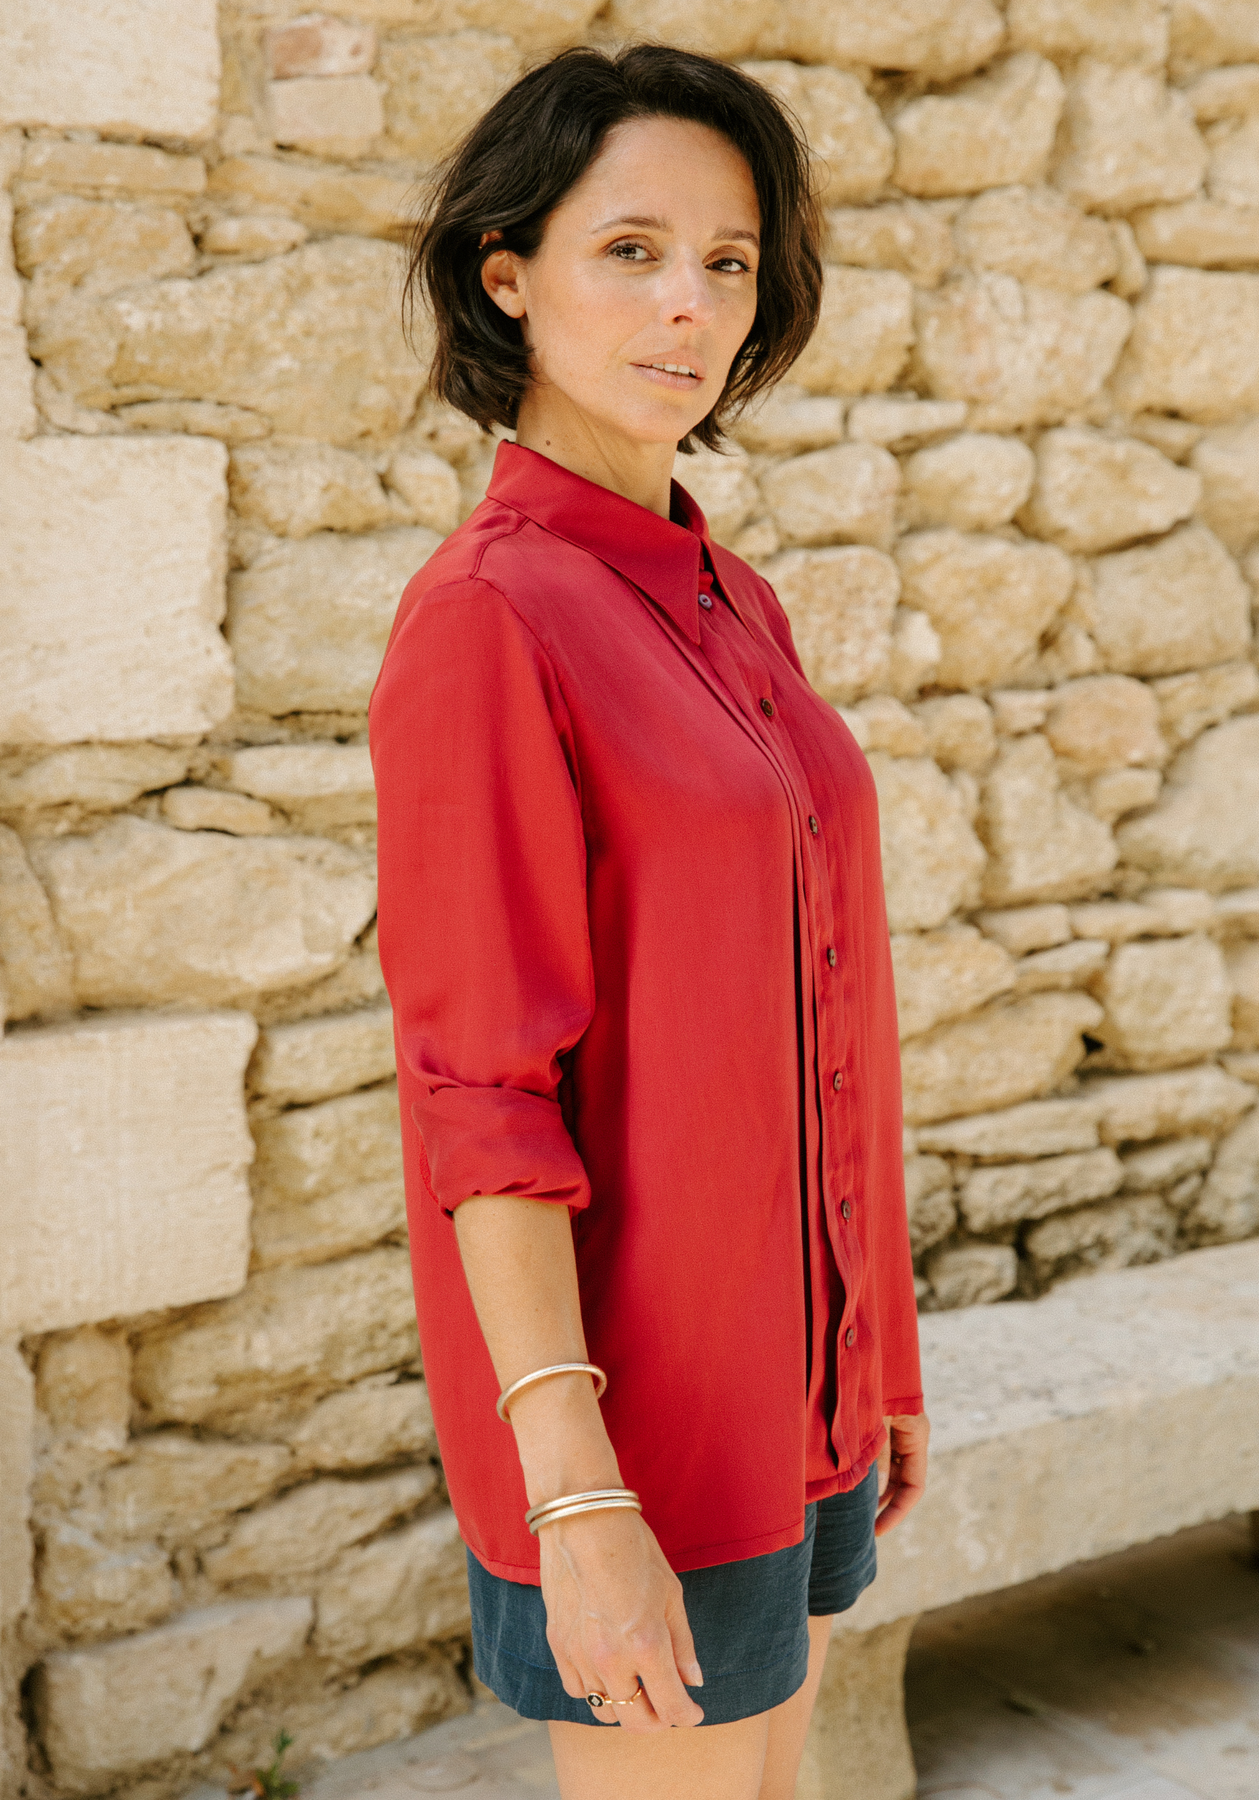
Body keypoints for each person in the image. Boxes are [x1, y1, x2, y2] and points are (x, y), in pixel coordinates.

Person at [369, 42, 929, 1800]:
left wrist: (878, 1355)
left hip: (803, 1399)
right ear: (507, 274)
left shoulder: (726, 595)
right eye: (631, 250)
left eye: (728, 261)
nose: (689, 303)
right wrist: (575, 1493)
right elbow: (480, 1098)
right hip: (641, 1444)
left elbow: (822, 1008)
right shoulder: (490, 618)